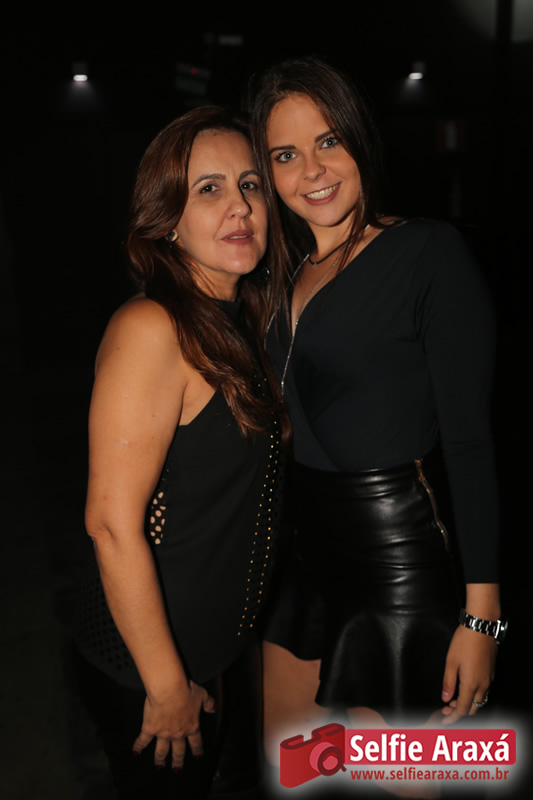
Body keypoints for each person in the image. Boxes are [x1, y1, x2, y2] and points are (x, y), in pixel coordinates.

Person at [247, 56, 504, 773]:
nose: (312, 171)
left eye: (328, 141)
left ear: (359, 137)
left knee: (394, 778)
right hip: (304, 555)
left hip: (397, 564)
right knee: (293, 768)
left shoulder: (426, 253)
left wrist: (483, 618)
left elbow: (470, 445)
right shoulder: (281, 270)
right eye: (285, 155)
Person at [74, 106, 288, 799]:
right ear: (167, 219)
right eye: (209, 189)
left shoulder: (240, 316)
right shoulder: (152, 328)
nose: (239, 206)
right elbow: (110, 524)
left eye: (250, 184)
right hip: (149, 668)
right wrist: (166, 685)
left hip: (212, 650)